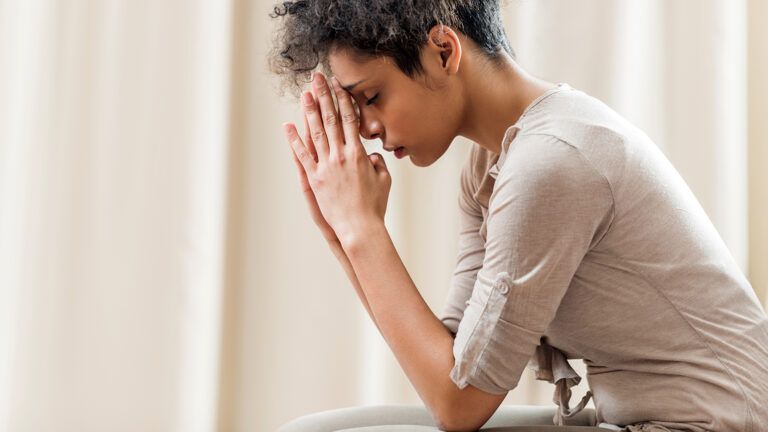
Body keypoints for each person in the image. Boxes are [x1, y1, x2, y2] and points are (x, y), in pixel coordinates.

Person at [268, 1, 768, 431]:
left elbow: (458, 405)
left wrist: (363, 230)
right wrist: (345, 234)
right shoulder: (493, 167)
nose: (368, 128)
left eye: (371, 97)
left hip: (713, 424)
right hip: (640, 417)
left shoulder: (551, 162)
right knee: (316, 429)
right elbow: (449, 366)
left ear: (444, 51)